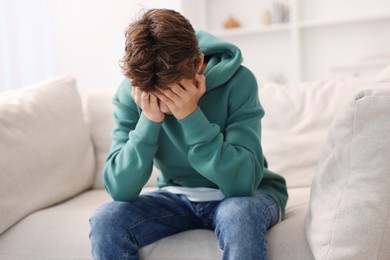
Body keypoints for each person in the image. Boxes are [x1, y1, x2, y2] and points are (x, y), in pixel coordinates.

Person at [89, 8, 288, 260]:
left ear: (198, 64)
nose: (164, 102)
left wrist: (190, 115)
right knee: (106, 220)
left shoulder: (239, 81)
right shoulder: (135, 90)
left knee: (238, 214)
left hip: (248, 195)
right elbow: (120, 189)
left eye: (171, 92)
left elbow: (242, 183)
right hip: (177, 197)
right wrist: (149, 120)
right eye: (155, 94)